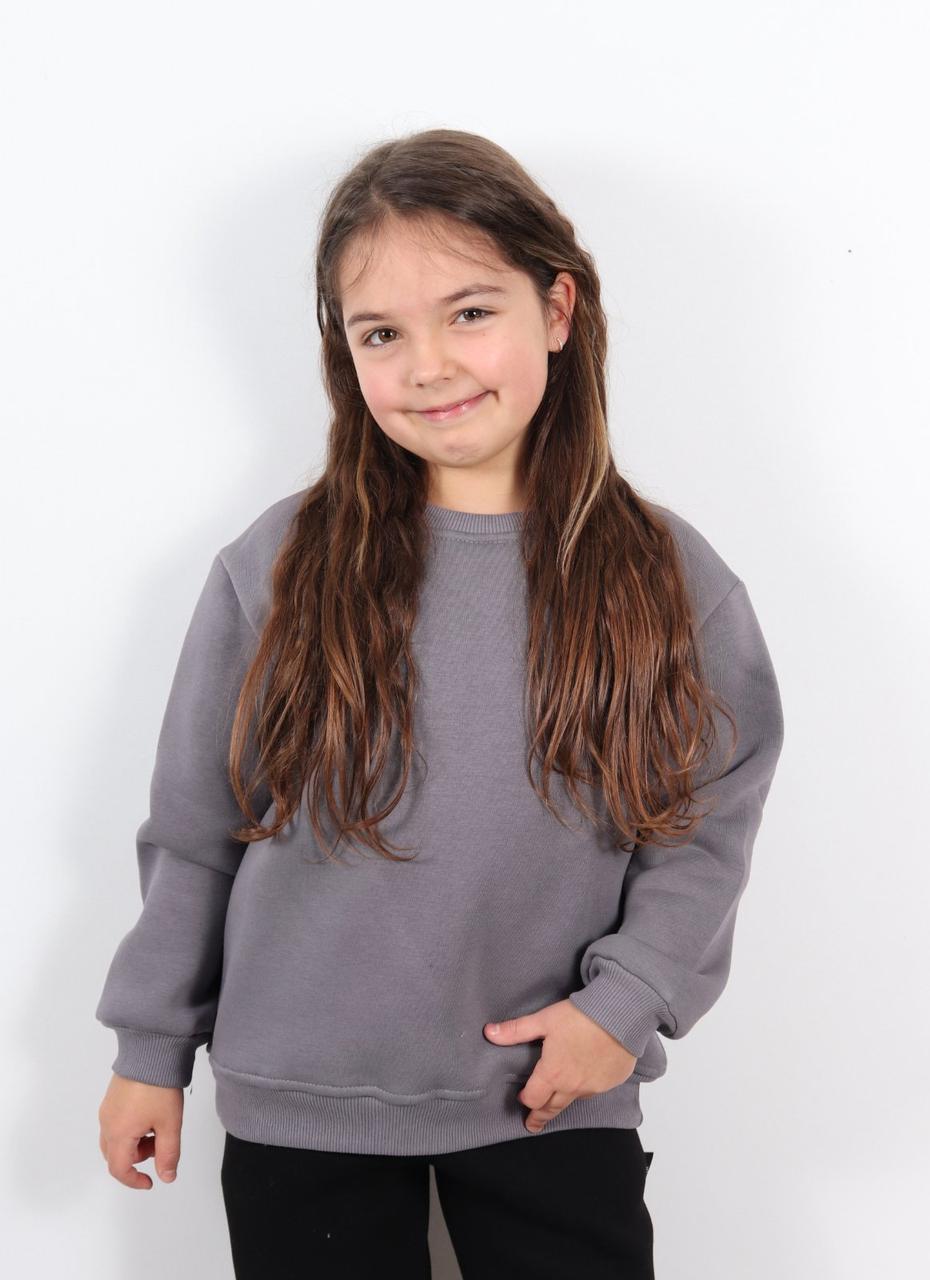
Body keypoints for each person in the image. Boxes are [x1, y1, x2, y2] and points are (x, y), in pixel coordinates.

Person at [95, 127, 785, 1279]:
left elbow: (706, 826)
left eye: (469, 312)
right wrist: (149, 1045)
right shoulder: (277, 568)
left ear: (556, 308)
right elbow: (197, 830)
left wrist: (623, 1006)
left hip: (553, 1084)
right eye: (382, 332)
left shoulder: (667, 579)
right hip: (300, 1099)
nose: (428, 365)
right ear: (345, 351)